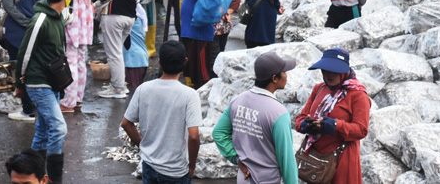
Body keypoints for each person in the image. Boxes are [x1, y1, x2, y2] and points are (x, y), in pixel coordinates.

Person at [16, 0, 70, 184]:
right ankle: (54, 179)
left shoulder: (59, 17)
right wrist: (19, 84)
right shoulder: (40, 20)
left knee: (43, 132)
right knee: (58, 128)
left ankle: (30, 174)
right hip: (38, 83)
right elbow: (24, 53)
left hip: (52, 81)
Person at [121, 41, 202, 183]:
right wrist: (192, 166)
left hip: (149, 165)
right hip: (176, 171)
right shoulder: (190, 95)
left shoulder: (143, 89)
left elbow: (126, 123)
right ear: (185, 62)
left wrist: (143, 145)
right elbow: (194, 136)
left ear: (159, 62)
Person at [213, 51, 298, 184]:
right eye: (284, 72)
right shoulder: (278, 113)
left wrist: (236, 158)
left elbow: (219, 133)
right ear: (274, 78)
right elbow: (286, 159)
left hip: (243, 178)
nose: (286, 76)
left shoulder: (238, 100)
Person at [294, 48, 371, 184]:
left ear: (344, 72)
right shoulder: (319, 89)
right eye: (326, 70)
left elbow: (361, 129)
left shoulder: (357, 95)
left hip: (342, 160)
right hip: (316, 159)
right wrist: (306, 125)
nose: (329, 75)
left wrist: (336, 125)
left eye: (335, 71)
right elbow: (301, 118)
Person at [0, 0, 47, 122]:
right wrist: (32, 22)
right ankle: (37, 106)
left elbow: (8, 5)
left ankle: (27, 109)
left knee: (19, 70)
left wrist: (23, 22)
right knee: (34, 69)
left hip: (15, 32)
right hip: (36, 30)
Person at [97, 0, 139, 100]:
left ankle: (118, 88)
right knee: (118, 52)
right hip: (130, 15)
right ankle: (119, 84)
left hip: (114, 15)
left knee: (114, 54)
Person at [56, 0, 93, 113]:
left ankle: (68, 102)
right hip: (85, 26)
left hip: (71, 26)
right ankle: (78, 99)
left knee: (69, 62)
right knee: (80, 62)